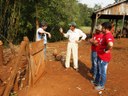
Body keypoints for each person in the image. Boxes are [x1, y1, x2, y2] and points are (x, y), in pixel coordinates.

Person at [93, 22, 114, 91]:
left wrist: (105, 49)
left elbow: (110, 44)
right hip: (100, 56)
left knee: (102, 72)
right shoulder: (105, 35)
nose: (101, 29)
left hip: (104, 58)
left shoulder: (108, 35)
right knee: (99, 70)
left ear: (106, 28)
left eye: (102, 27)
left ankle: (101, 86)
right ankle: (96, 82)